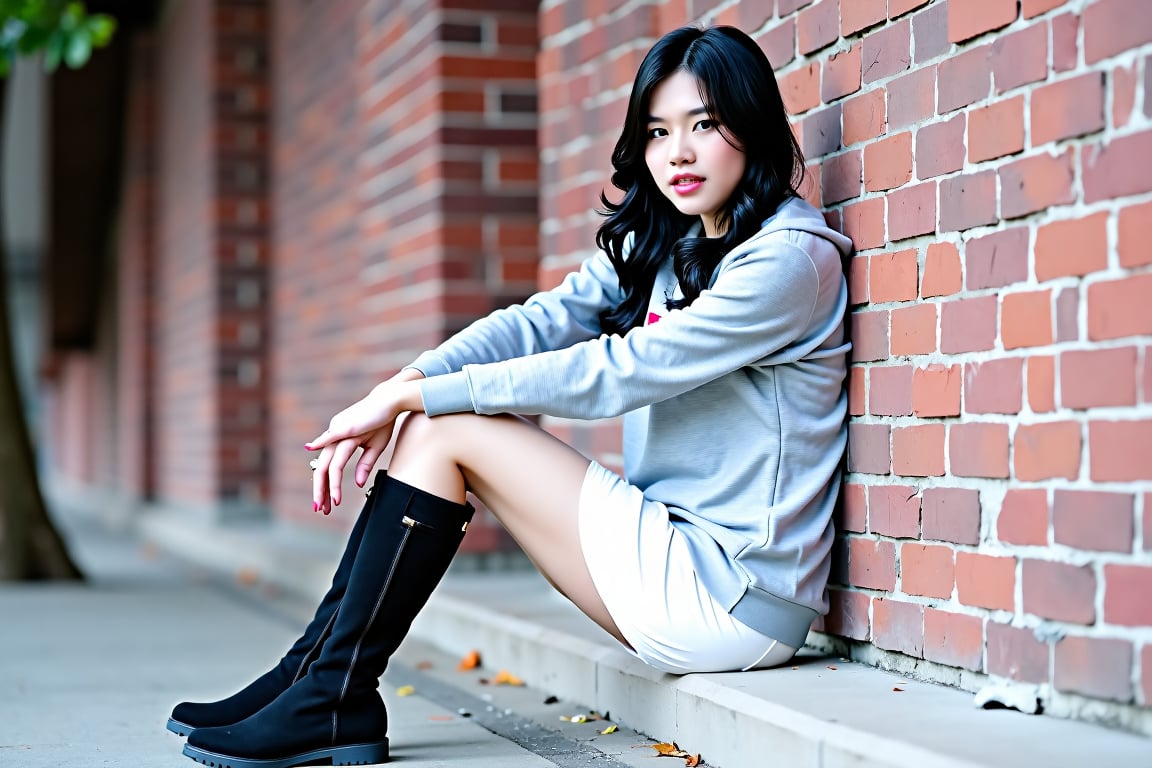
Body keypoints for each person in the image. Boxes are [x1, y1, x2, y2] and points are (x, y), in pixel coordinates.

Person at [172, 24, 852, 768]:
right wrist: (400, 387)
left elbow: (622, 371)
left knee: (445, 426)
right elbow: (539, 322)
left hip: (734, 599)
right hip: (671, 552)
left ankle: (330, 692)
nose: (677, 154)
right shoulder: (669, 243)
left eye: (704, 126)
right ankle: (312, 677)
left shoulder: (787, 263)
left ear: (751, 127)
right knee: (435, 420)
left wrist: (416, 400)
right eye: (657, 132)